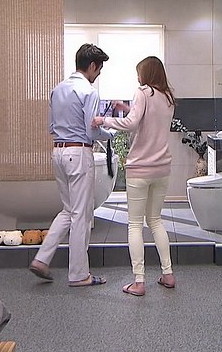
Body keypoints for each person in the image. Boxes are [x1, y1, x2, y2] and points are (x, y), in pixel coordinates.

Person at [29, 43, 114, 287]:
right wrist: (110, 133)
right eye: (99, 69)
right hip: (78, 154)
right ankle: (79, 275)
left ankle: (41, 259)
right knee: (81, 215)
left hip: (58, 152)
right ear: (92, 66)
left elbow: (51, 127)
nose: (99, 74)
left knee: (68, 210)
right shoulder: (88, 91)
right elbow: (91, 131)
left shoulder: (57, 89)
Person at [91, 56, 176, 297]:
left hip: (140, 168)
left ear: (147, 73)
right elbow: (148, 121)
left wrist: (103, 119)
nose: (138, 77)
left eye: (139, 72)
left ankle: (139, 281)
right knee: (156, 221)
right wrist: (127, 108)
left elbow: (131, 124)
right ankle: (168, 273)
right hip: (162, 168)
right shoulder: (168, 97)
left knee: (135, 225)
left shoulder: (142, 92)